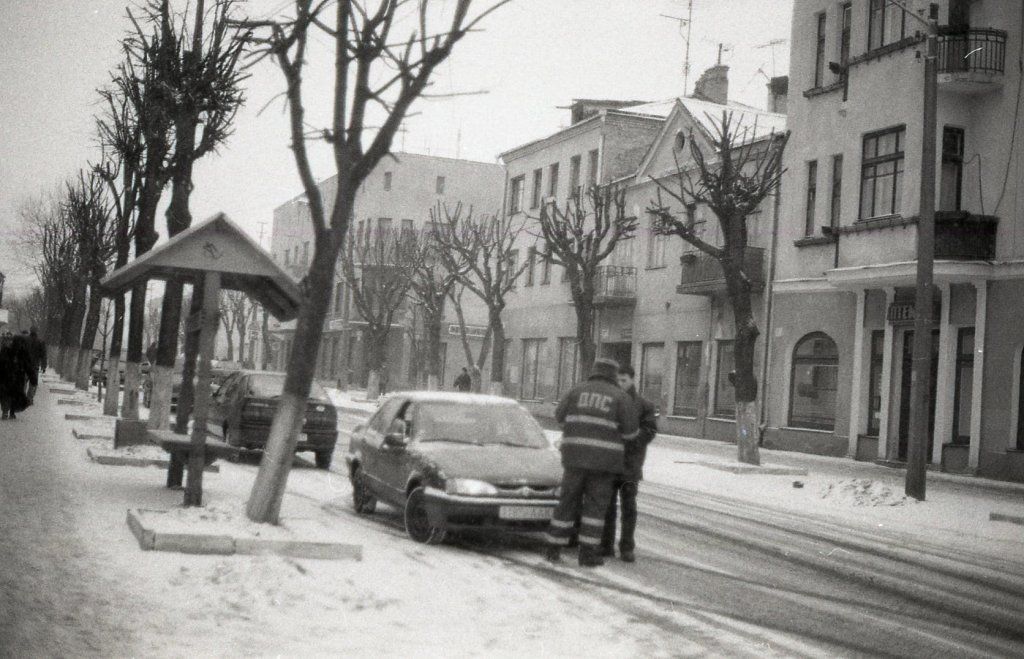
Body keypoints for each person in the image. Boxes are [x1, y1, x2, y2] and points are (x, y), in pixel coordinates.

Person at [545, 357, 639, 567]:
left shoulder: (576, 391)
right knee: (595, 509)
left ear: (594, 371)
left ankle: (553, 547)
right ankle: (587, 553)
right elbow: (631, 432)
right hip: (604, 465)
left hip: (574, 460)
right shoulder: (620, 397)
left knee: (567, 502)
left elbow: (559, 417)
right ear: (613, 375)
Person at [600, 364, 658, 563]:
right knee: (607, 507)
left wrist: (630, 440)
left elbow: (649, 430)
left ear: (632, 380)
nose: (620, 384)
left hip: (630, 465)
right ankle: (606, 545)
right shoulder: (608, 402)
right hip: (609, 463)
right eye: (618, 380)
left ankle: (626, 547)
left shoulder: (643, 405)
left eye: (624, 380)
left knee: (628, 507)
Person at [0, 332, 30, 420]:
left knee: (10, 394)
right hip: (11, 376)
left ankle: (9, 412)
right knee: (9, 394)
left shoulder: (15, 351)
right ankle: (8, 412)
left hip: (13, 376)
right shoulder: (5, 350)